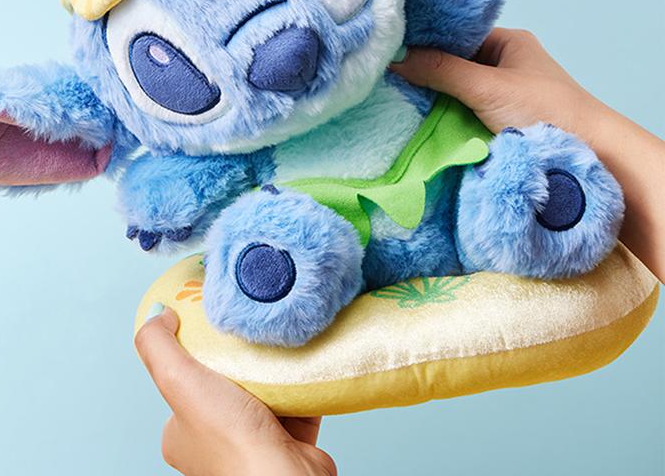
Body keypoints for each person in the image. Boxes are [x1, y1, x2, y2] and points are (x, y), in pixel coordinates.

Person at [135, 28, 665, 476]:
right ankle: (274, 268)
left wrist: (256, 467)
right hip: (322, 215)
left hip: (446, 173)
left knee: (508, 186)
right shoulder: (249, 128)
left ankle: (547, 205)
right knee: (287, 234)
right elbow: (176, 188)